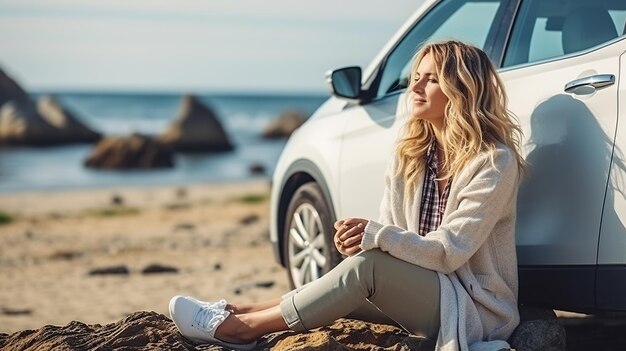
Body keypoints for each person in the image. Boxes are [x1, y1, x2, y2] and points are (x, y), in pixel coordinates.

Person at [168, 40, 526, 351]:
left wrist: (377, 238)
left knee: (367, 270)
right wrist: (362, 240)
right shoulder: (412, 156)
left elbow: (449, 253)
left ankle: (241, 331)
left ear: (462, 89)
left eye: (431, 80)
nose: (416, 87)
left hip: (472, 307)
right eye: (415, 77)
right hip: (425, 290)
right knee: (349, 278)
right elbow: (392, 235)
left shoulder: (493, 162)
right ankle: (240, 310)